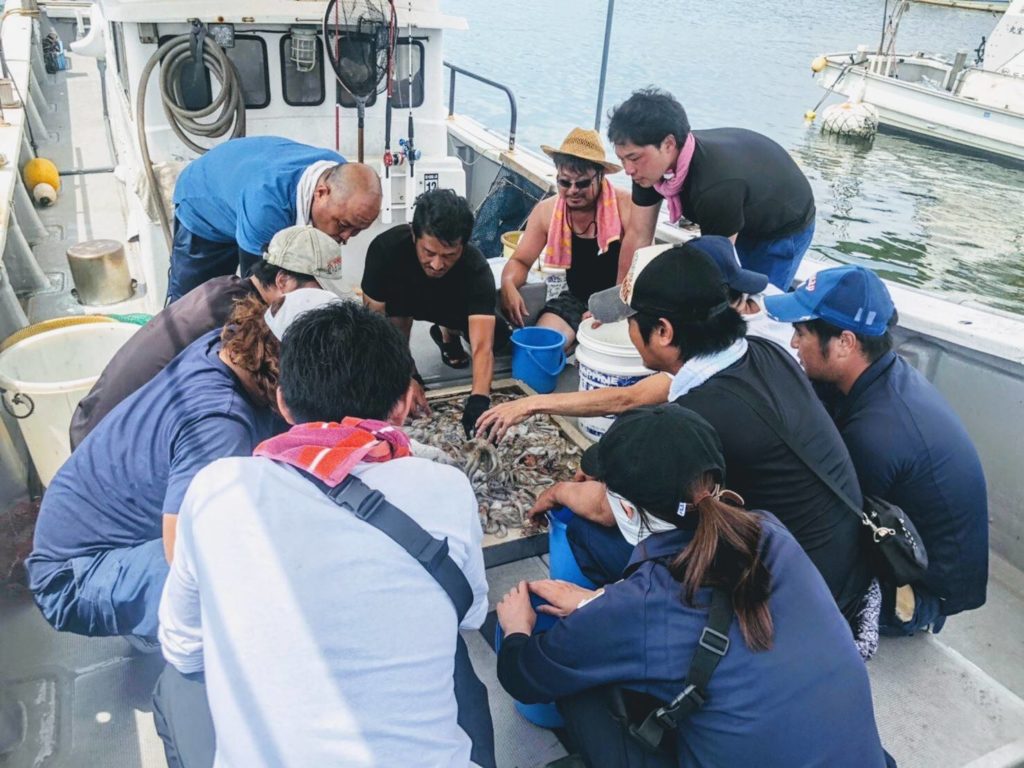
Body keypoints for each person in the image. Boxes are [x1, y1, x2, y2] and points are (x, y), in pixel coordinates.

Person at [154, 301, 491, 768]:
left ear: (283, 403)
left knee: (171, 686)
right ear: (400, 406)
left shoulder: (218, 487)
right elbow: (471, 613)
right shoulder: (445, 487)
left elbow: (183, 649)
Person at [496, 405, 889, 768]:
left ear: (627, 511)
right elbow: (708, 617)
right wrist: (599, 605)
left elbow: (524, 678)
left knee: (582, 687)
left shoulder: (644, 602)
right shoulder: (769, 530)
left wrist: (517, 627)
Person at [527, 244, 871, 621]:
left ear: (662, 331)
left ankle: (616, 617)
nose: (627, 329)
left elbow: (607, 511)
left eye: (631, 320)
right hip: (838, 569)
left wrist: (559, 491)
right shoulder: (761, 352)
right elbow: (641, 399)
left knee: (588, 532)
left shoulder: (696, 421)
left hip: (792, 606)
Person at [26, 289, 339, 642]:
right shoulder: (220, 428)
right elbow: (186, 562)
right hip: (74, 577)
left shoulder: (227, 346)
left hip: (95, 526)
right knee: (246, 579)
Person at [765, 265, 988, 634]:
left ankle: (907, 614)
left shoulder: (876, 435)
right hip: (914, 543)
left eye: (801, 333)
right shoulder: (879, 378)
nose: (793, 344)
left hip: (919, 590)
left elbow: (828, 532)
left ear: (845, 343)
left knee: (775, 588)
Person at [475, 236, 796, 441]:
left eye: (635, 317)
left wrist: (531, 405)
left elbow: (628, 398)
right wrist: (612, 311)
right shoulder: (751, 299)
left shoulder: (735, 351)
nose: (630, 323)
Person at [70, 225, 343, 449]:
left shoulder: (223, 288)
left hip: (90, 420)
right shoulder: (240, 323)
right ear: (282, 281)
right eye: (313, 293)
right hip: (111, 442)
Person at [608, 88, 815, 290]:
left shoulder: (715, 186)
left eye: (633, 158)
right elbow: (638, 234)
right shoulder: (647, 168)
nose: (628, 170)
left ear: (669, 144)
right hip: (738, 207)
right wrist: (619, 300)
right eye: (622, 159)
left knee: (757, 309)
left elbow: (714, 269)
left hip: (782, 225)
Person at [362, 188, 509, 437]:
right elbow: (374, 326)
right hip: (404, 304)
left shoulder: (475, 267)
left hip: (451, 303)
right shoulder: (385, 250)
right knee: (391, 339)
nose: (437, 264)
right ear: (413, 234)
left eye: (449, 255)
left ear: (463, 245)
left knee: (501, 338)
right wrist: (404, 377)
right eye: (429, 253)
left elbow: (482, 347)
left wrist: (479, 401)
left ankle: (447, 333)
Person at [168, 136, 381, 301]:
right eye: (343, 225)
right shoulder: (266, 207)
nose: (345, 238)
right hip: (204, 205)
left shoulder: (338, 172)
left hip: (244, 187)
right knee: (197, 305)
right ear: (321, 193)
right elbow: (257, 291)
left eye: (356, 230)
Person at [499, 127, 631, 350]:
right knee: (541, 348)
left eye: (582, 184)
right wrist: (508, 284)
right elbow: (520, 261)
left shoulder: (626, 207)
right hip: (577, 298)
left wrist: (610, 307)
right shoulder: (546, 212)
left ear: (600, 176)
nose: (572, 191)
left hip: (622, 300)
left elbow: (642, 271)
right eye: (564, 182)